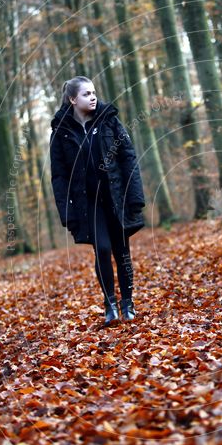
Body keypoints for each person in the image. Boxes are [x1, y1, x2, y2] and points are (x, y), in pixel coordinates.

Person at [50, 76, 146, 325]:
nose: (93, 97)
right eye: (86, 94)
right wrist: (66, 213)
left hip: (116, 198)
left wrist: (135, 198)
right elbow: (59, 177)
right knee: (102, 249)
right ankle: (110, 304)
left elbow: (128, 158)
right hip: (88, 205)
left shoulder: (109, 121)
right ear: (73, 99)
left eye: (94, 92)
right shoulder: (60, 133)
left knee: (122, 251)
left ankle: (128, 302)